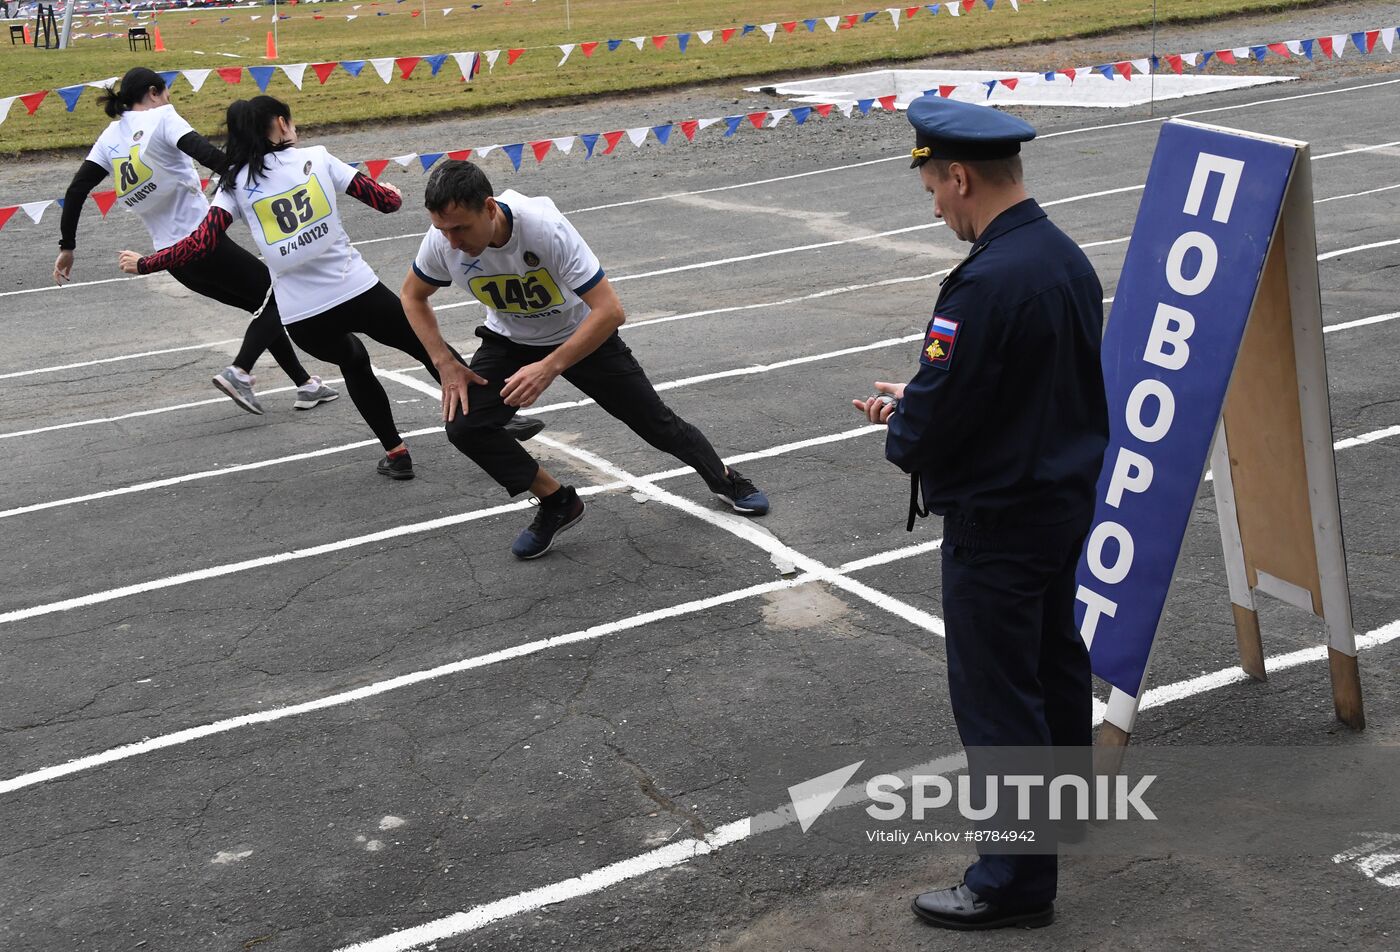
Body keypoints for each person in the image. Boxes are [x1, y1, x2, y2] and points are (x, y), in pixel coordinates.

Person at [854, 95, 1109, 930]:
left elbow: (939, 419)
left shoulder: (986, 280)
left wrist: (906, 417)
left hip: (997, 520)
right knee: (1054, 669)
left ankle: (1012, 881)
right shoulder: (1061, 256)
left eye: (933, 188)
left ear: (960, 176)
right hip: (1060, 499)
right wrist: (925, 392)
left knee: (998, 700)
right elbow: (1032, 384)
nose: (934, 206)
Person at [119, 96, 541, 477]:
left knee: (354, 362)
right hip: (356, 289)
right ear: (281, 124)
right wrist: (391, 192)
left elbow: (200, 243)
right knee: (427, 347)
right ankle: (496, 418)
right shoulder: (317, 158)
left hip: (304, 316)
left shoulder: (232, 185)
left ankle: (396, 454)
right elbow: (385, 202)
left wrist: (147, 263)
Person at [399, 160, 770, 559]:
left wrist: (551, 366)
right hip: (510, 339)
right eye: (442, 230)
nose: (452, 242)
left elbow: (610, 311)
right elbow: (412, 296)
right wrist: (445, 361)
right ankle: (558, 502)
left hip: (581, 334)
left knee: (656, 424)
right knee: (465, 426)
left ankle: (724, 478)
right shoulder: (442, 240)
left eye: (460, 229)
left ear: (489, 208)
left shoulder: (543, 228)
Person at [57, 67, 337, 416]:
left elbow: (76, 190)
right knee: (281, 294)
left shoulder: (110, 137)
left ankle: (306, 385)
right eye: (167, 92)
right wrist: (269, 177)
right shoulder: (163, 117)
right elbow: (209, 156)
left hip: (173, 259)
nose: (170, 98)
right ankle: (240, 371)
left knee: (263, 305)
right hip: (203, 245)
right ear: (154, 92)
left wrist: (67, 246)